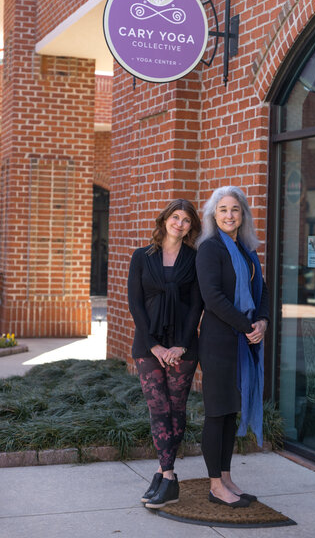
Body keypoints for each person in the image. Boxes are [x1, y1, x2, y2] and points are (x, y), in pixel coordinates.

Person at [196, 186, 269, 508]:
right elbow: (212, 298)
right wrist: (247, 325)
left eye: (235, 209)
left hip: (244, 340)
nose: (229, 215)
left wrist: (262, 321)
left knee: (229, 414)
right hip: (219, 343)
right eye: (223, 209)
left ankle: (226, 478)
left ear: (243, 215)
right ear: (214, 214)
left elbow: (262, 291)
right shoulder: (210, 249)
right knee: (216, 413)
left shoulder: (247, 250)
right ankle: (215, 485)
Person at [128, 199, 202, 509]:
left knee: (176, 409)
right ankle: (167, 475)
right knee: (158, 409)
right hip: (149, 344)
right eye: (175, 217)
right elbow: (135, 303)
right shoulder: (142, 257)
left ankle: (164, 475)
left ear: (191, 227)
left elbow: (198, 305)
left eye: (186, 219)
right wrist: (155, 345)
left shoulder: (195, 259)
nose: (180, 223)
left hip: (182, 346)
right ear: (164, 220)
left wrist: (180, 345)